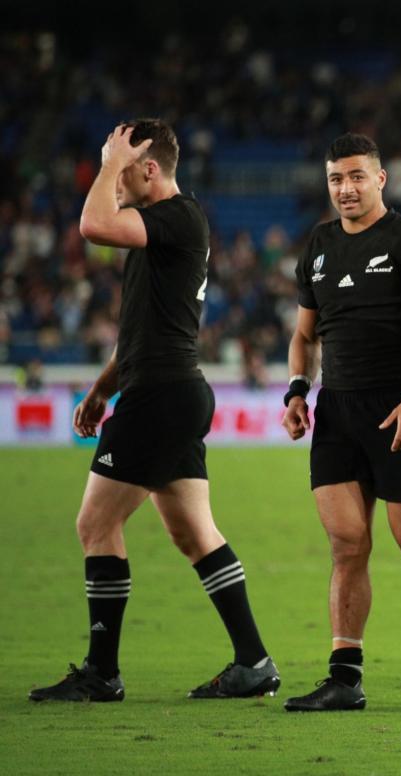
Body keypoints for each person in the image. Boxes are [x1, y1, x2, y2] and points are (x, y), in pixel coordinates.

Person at [30, 120, 279, 702]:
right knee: (195, 534)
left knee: (96, 524)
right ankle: (254, 662)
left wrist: (108, 162)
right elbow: (143, 332)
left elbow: (92, 225)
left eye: (123, 165)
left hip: (161, 397)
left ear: (149, 168)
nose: (115, 178)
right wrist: (100, 388)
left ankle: (102, 672)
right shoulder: (160, 230)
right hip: (168, 389)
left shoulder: (176, 216)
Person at [281, 133, 401, 712]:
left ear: (381, 179)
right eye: (336, 179)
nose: (346, 188)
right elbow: (303, 334)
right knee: (346, 544)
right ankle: (345, 677)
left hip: (398, 409)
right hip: (337, 412)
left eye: (357, 177)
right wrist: (297, 390)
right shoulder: (317, 244)